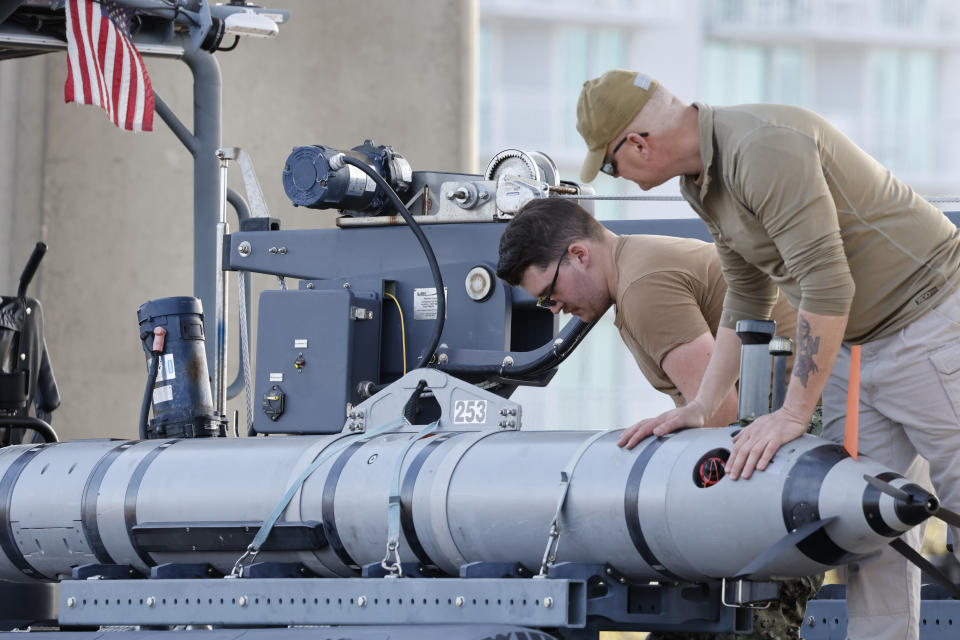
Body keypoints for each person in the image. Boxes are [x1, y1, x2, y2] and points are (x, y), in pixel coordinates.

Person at [574, 69, 960, 640]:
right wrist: (702, 406)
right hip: (855, 346)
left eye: (609, 165)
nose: (619, 178)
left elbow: (828, 284)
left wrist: (793, 414)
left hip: (928, 321)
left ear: (637, 142)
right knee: (866, 528)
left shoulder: (761, 149)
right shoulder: (701, 181)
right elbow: (746, 294)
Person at [495, 197, 821, 639]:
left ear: (578, 255)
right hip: (783, 422)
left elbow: (721, 419)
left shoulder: (642, 288)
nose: (554, 309)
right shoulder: (638, 265)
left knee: (752, 620)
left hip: (796, 424)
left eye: (550, 295)